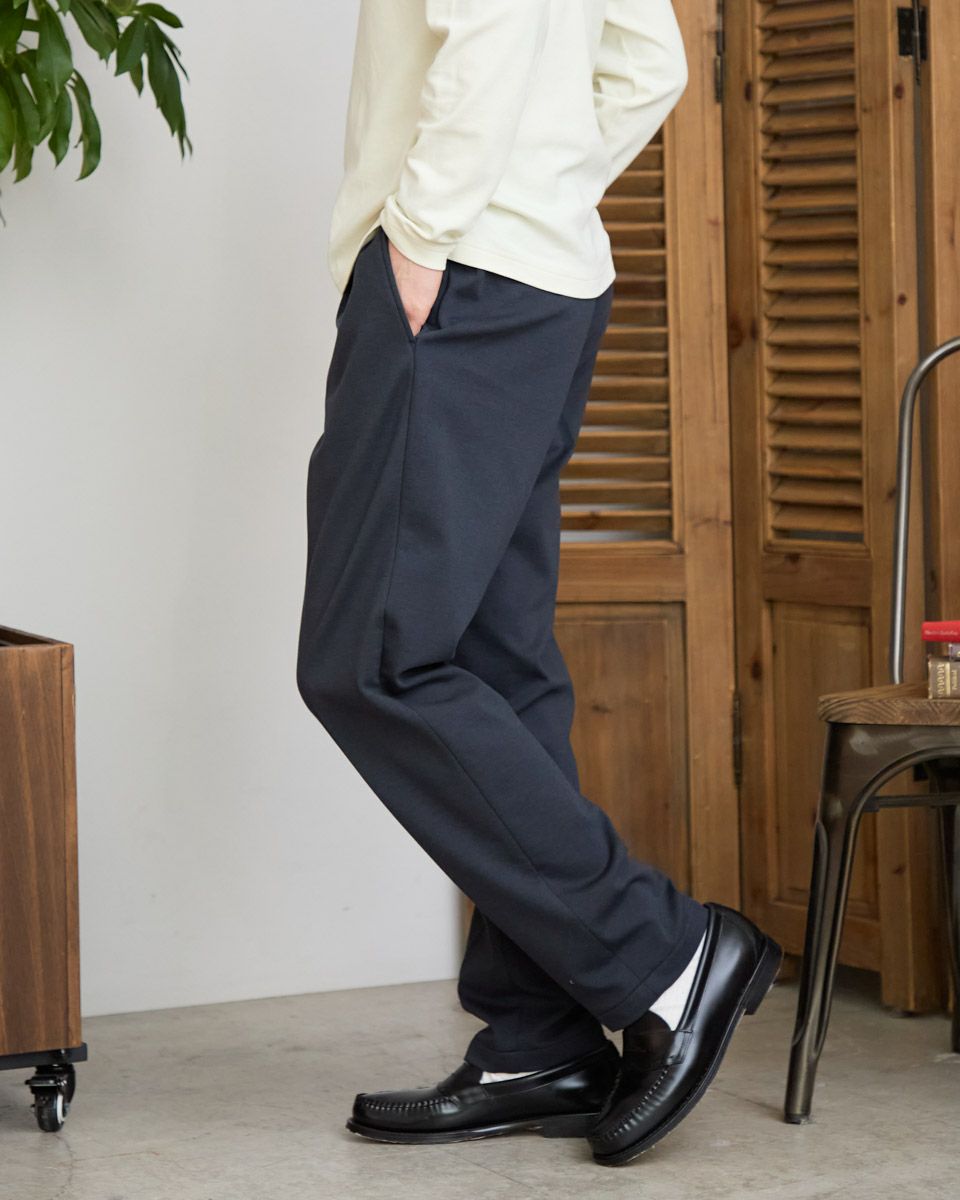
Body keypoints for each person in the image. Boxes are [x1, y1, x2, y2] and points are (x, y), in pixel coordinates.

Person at [296, 0, 781, 1168]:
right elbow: (649, 63)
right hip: (540, 277)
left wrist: (426, 235)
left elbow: (498, 30)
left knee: (372, 661)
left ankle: (663, 954)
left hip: (460, 275)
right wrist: (544, 191)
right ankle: (537, 1036)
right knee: (495, 664)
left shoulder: (441, 249)